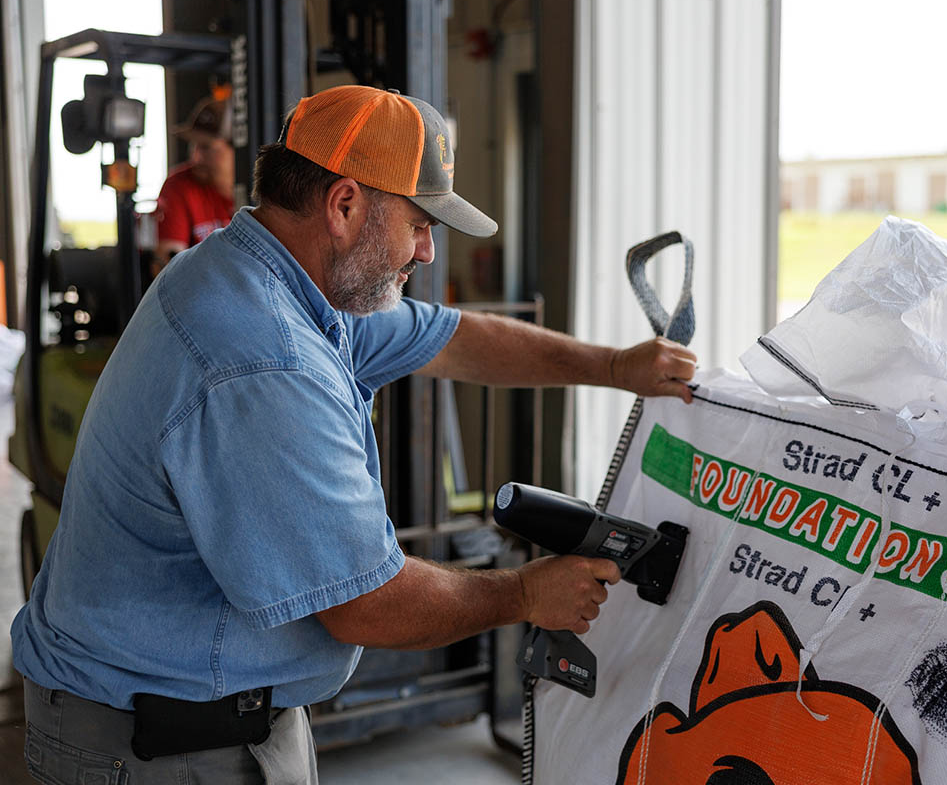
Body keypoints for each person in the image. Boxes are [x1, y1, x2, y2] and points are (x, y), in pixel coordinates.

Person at [11, 84, 696, 784]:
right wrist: (524, 594)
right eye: (419, 224)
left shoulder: (268, 275)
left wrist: (615, 367)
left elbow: (451, 337)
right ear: (343, 206)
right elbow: (367, 603)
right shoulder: (265, 358)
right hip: (160, 743)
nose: (427, 252)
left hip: (202, 711)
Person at [151, 95, 235, 274]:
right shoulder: (179, 186)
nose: (195, 157)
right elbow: (167, 271)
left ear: (236, 150)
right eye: (194, 146)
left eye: (205, 147)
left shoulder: (265, 191)